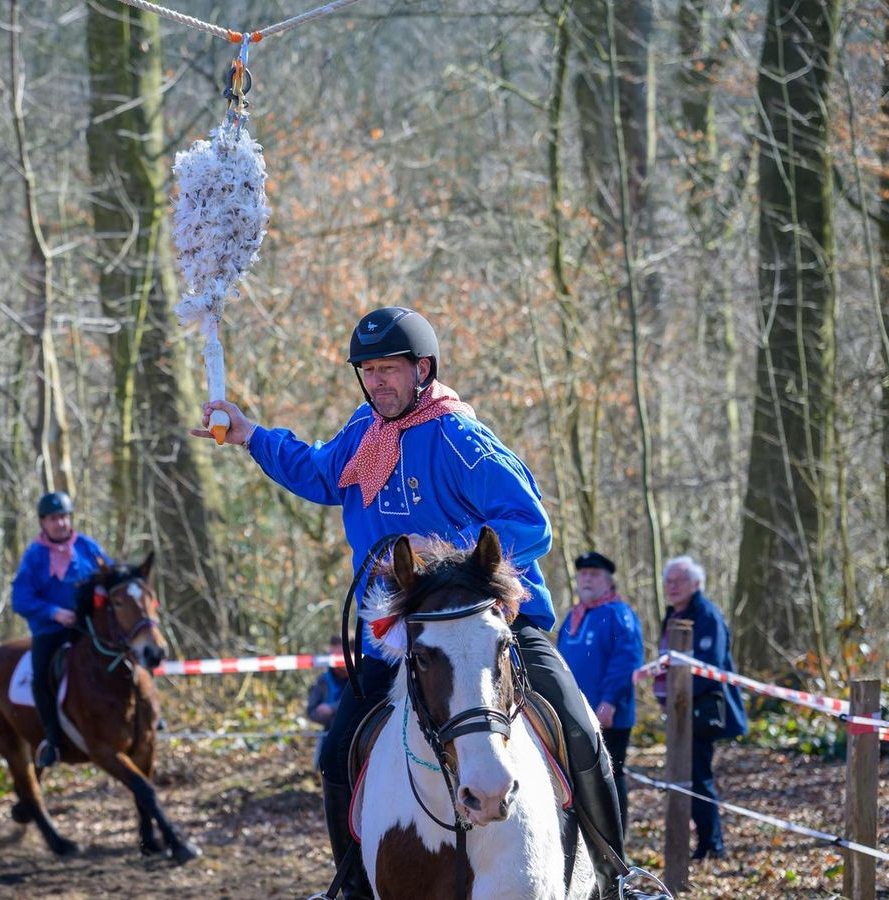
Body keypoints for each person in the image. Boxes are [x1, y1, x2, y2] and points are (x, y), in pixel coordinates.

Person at [193, 307, 630, 898]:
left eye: (389, 369)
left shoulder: (460, 438)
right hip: (402, 636)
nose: (377, 381)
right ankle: (350, 883)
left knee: (578, 727)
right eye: (368, 370)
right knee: (337, 750)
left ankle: (616, 874)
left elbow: (531, 526)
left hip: (488, 629)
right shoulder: (364, 431)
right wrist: (250, 435)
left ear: (422, 369)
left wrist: (444, 552)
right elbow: (320, 473)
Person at [10, 491, 114, 768]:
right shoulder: (34, 556)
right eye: (54, 519)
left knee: (127, 653)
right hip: (50, 631)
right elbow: (20, 599)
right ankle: (53, 741)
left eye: (65, 517)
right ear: (43, 522)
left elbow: (112, 577)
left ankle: (146, 715)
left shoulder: (88, 547)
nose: (61, 524)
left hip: (88, 628)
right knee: (41, 678)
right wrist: (54, 613)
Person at [655, 556, 747, 861]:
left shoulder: (707, 615)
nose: (672, 586)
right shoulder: (671, 615)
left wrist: (681, 696)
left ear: (696, 584)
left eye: (679, 580)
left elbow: (710, 665)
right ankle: (700, 841)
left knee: (698, 777)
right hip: (678, 713)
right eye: (668, 581)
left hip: (702, 712)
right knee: (684, 776)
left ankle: (712, 844)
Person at [558, 552, 645, 830]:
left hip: (608, 714)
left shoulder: (619, 615)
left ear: (608, 582)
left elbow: (626, 661)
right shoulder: (574, 617)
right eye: (583, 574)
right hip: (575, 714)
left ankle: (616, 839)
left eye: (594, 574)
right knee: (580, 777)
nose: (586, 579)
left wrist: (609, 701)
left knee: (610, 774)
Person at [305, 635, 349, 770]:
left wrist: (332, 708)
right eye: (334, 653)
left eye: (340, 653)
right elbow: (311, 711)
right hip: (329, 734)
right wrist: (325, 714)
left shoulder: (362, 678)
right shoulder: (323, 680)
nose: (337, 657)